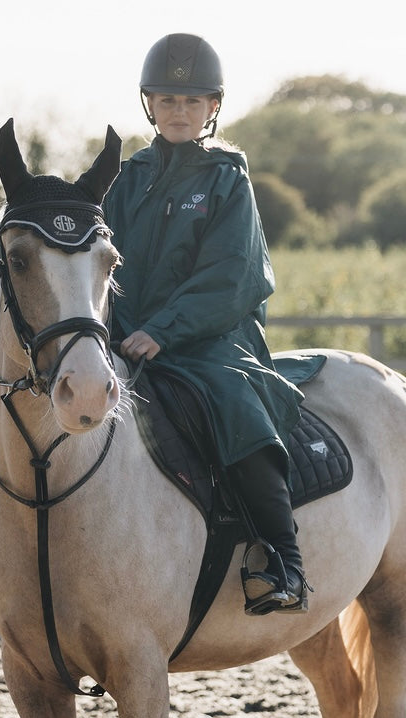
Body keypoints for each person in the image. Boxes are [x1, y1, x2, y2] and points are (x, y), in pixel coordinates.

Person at [105, 33, 309, 615]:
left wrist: (163, 329)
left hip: (210, 336)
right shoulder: (124, 178)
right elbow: (102, 261)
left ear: (212, 108)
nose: (179, 112)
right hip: (126, 331)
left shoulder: (226, 179)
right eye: (168, 100)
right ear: (149, 103)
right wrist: (116, 328)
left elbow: (232, 273)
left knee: (231, 399)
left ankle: (285, 561)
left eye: (192, 103)